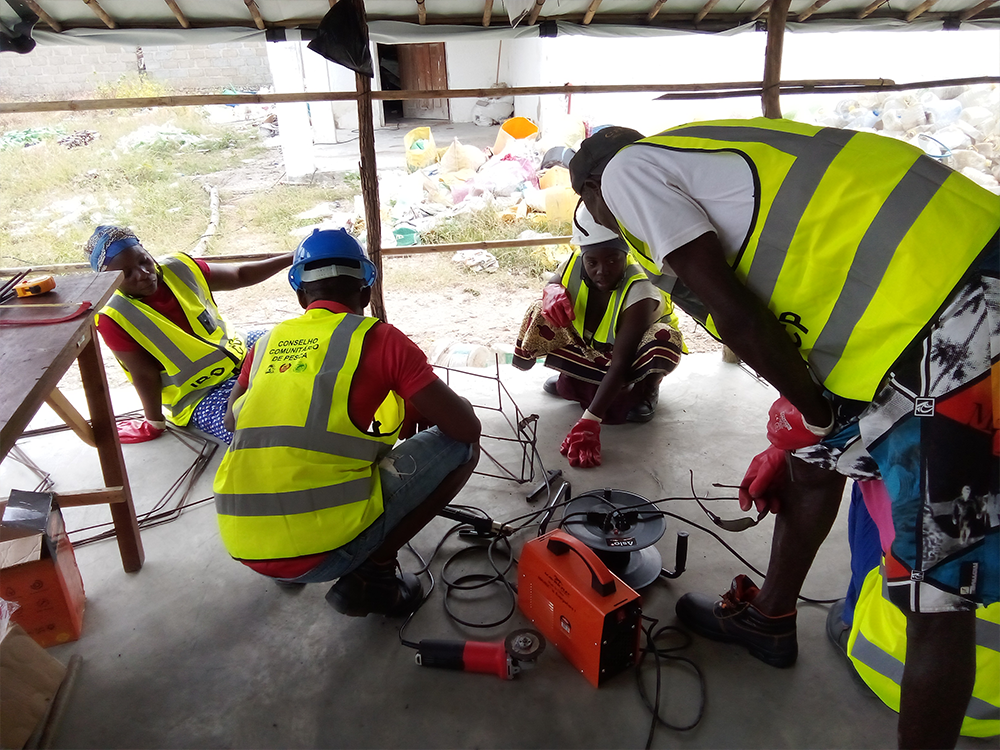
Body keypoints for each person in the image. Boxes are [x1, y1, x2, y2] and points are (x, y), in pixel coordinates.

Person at [569, 119, 999, 748]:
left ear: (587, 188)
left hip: (957, 308)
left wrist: (815, 411)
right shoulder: (708, 156)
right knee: (812, 459)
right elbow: (790, 299)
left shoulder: (625, 171)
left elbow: (735, 315)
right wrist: (798, 430)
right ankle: (771, 617)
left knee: (935, 591)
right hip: (928, 291)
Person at [213, 228, 481, 618]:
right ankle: (374, 577)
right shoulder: (382, 339)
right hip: (326, 551)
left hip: (244, 540)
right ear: (366, 293)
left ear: (302, 296)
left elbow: (232, 420)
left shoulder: (267, 344)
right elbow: (464, 428)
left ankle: (290, 565)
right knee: (464, 444)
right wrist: (422, 404)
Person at [512, 204, 684, 468]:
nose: (601, 270)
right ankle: (571, 378)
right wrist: (551, 290)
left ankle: (647, 390)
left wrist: (590, 421)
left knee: (662, 339)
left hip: (627, 357)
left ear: (624, 256)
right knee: (542, 310)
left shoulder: (641, 290)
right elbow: (556, 278)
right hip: (594, 348)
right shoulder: (574, 263)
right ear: (583, 256)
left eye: (612, 260)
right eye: (592, 262)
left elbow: (621, 364)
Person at [87, 225, 293, 444]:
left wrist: (292, 257)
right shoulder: (113, 316)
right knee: (252, 432)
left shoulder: (179, 268)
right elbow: (144, 374)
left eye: (143, 261)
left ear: (147, 252)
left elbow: (239, 275)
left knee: (300, 341)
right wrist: (154, 421)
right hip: (200, 393)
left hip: (239, 350)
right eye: (126, 274)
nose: (143, 274)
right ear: (109, 280)